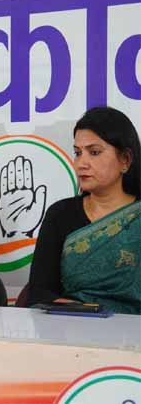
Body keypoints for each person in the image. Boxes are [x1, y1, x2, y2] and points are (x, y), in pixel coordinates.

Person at [27, 107, 140, 314]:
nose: (81, 163)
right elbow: (38, 292)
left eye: (94, 152)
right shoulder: (60, 214)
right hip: (73, 324)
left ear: (125, 160)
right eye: (78, 153)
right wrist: (84, 312)